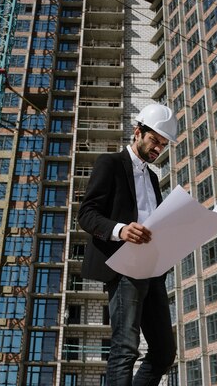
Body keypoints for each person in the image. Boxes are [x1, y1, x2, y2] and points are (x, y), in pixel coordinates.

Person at [78, 104, 177, 386]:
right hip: (124, 266)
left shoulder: (153, 178)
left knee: (164, 352)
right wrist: (121, 230)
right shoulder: (110, 164)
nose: (158, 148)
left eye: (163, 144)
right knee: (125, 347)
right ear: (138, 132)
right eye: (154, 141)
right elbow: (86, 214)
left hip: (153, 268)